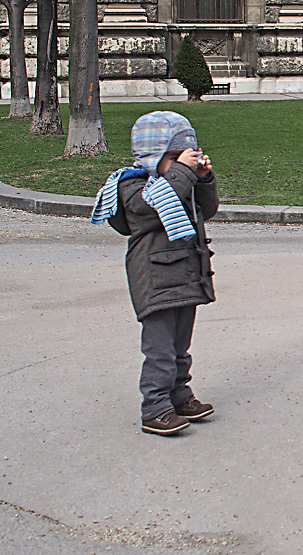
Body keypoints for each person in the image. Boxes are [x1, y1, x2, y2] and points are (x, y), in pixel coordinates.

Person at [92, 111, 219, 436]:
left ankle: (179, 395)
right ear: (154, 155)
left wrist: (202, 178)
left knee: (180, 346)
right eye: (174, 157)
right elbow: (148, 212)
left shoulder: (179, 183)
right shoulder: (135, 188)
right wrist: (182, 172)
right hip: (155, 280)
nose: (183, 163)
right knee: (159, 350)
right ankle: (155, 407)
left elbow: (207, 208)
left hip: (185, 277)